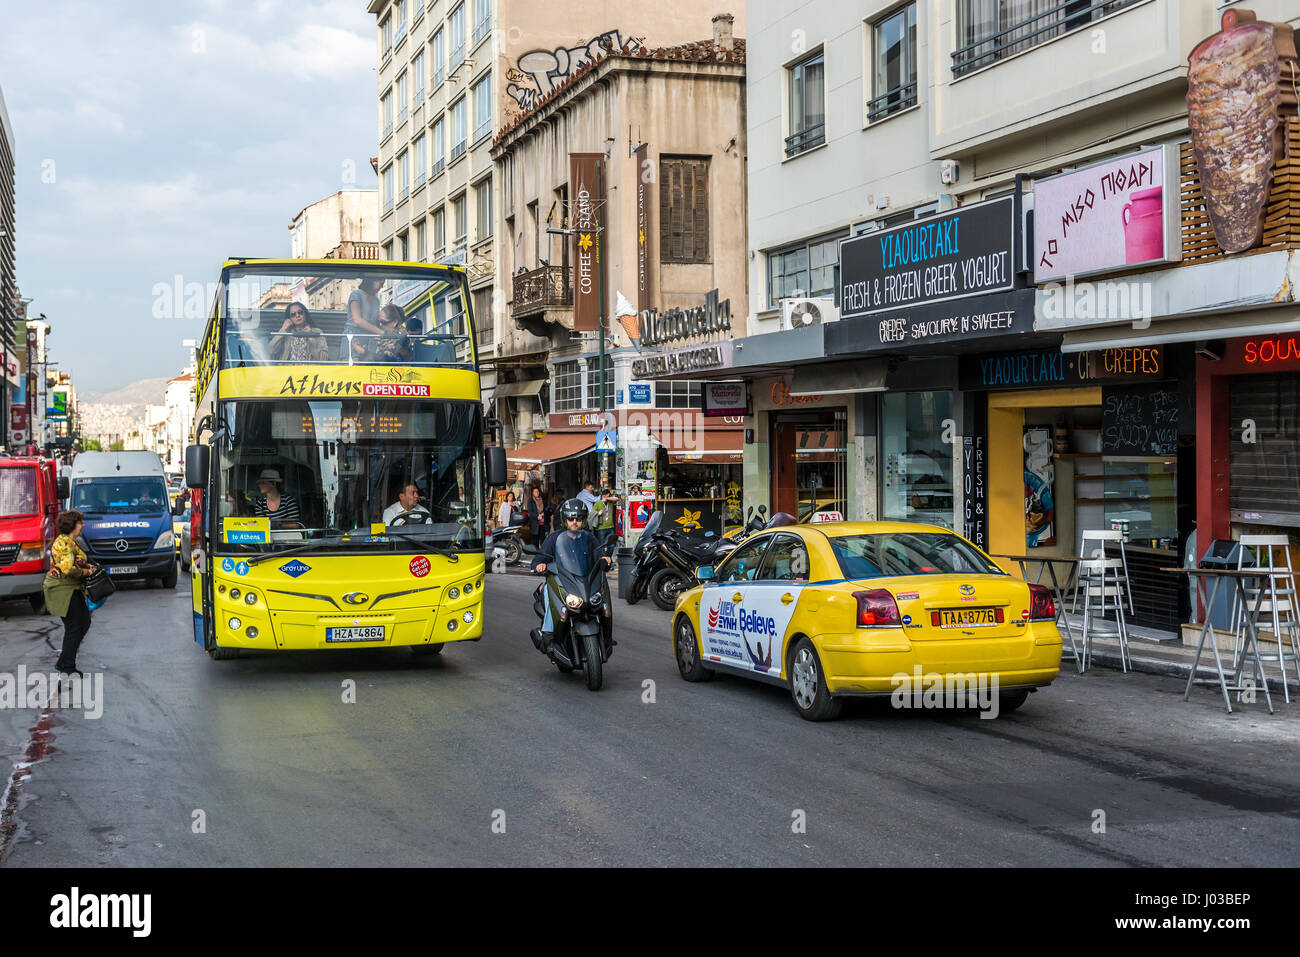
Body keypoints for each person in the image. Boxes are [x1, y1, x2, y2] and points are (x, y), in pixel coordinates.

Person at [530, 498, 612, 654]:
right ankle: (548, 634)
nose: (575, 522)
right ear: (564, 519)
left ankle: (607, 638)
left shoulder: (590, 539)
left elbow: (600, 556)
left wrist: (606, 560)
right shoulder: (554, 539)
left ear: (584, 520)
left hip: (585, 583)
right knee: (549, 593)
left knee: (604, 606)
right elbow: (539, 559)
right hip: (561, 581)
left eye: (579, 519)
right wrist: (539, 565)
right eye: (571, 519)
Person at [44, 509, 97, 676]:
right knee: (74, 627)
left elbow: (77, 561)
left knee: (84, 622)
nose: (83, 525)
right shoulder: (65, 544)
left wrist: (88, 566)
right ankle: (67, 667)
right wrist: (86, 573)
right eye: (80, 522)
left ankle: (65, 661)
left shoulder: (71, 541)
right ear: (72, 525)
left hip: (73, 589)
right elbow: (67, 569)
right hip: (63, 590)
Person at [343, 276, 384, 359]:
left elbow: (375, 321)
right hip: (353, 337)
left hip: (369, 340)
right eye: (381, 283)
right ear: (372, 281)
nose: (382, 287)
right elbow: (357, 320)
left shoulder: (376, 300)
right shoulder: (356, 294)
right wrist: (380, 332)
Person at [592, 488, 617, 553]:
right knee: (601, 545)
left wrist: (607, 498)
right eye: (606, 496)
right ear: (602, 495)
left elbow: (617, 499)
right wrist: (598, 513)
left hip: (610, 527)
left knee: (612, 545)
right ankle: (602, 559)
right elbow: (591, 514)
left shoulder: (610, 502)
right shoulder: (597, 503)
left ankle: (608, 557)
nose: (608, 497)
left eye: (609, 496)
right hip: (601, 528)